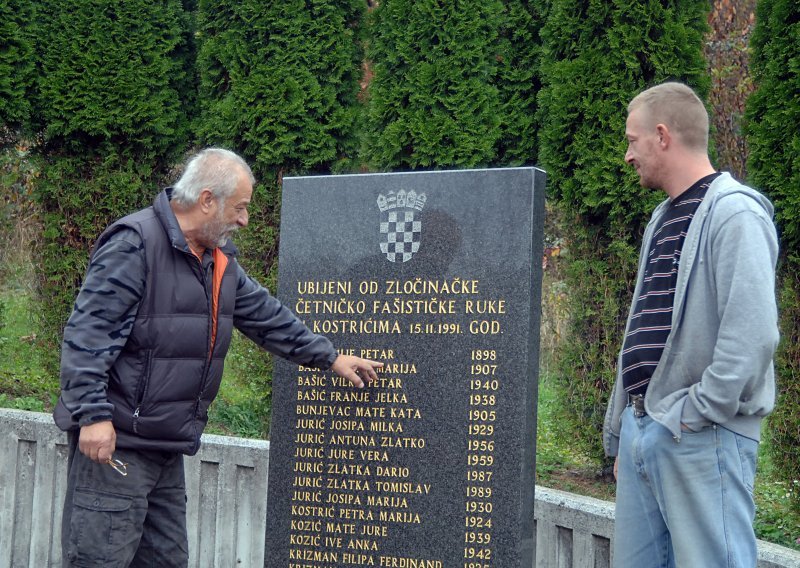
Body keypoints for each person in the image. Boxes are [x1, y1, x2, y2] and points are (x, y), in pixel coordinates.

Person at [53, 148, 383, 567]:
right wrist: (93, 416)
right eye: (240, 207)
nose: (244, 220)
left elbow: (267, 317)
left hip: (165, 448)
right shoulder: (134, 244)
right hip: (116, 448)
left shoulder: (218, 263)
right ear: (207, 199)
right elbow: (87, 335)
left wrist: (330, 358)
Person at [602, 82, 779, 567]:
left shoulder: (736, 212)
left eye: (632, 140)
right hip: (648, 429)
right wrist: (626, 431)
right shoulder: (663, 218)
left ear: (662, 135)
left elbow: (753, 335)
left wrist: (694, 413)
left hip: (702, 432)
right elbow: (643, 326)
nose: (626, 154)